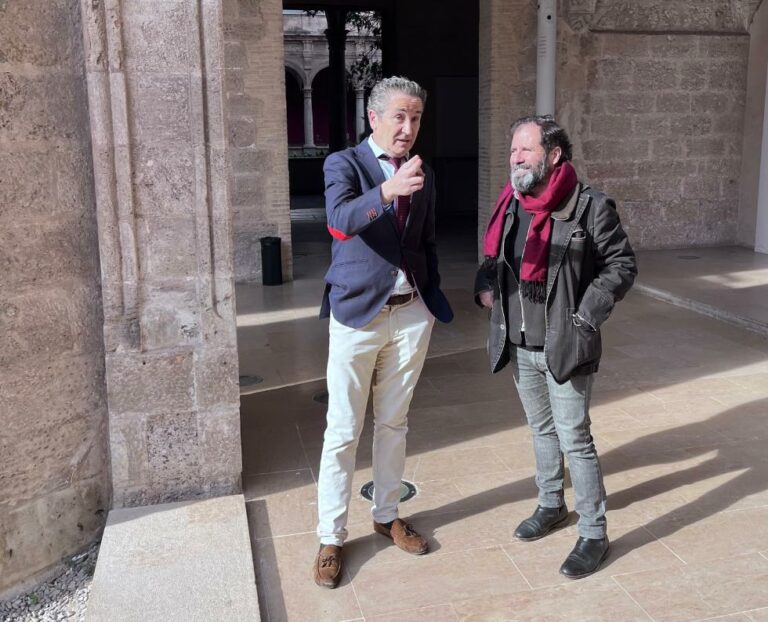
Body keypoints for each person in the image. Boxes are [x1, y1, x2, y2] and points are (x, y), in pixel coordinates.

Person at [475, 115, 636, 579]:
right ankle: (551, 505)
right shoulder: (511, 203)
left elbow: (622, 264)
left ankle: (594, 533)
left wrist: (585, 315)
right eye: (513, 150)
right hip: (519, 342)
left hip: (565, 342)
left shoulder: (589, 207)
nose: (516, 158)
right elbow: (493, 257)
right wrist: (486, 286)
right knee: (540, 430)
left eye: (525, 150)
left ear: (554, 154)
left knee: (575, 439)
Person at [314, 76, 453, 589]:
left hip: (410, 313)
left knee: (394, 423)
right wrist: (387, 190)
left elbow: (426, 239)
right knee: (343, 430)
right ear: (373, 117)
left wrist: (428, 296)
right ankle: (331, 537)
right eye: (399, 116)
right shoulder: (343, 164)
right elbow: (339, 220)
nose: (408, 127)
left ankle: (386, 514)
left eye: (415, 118)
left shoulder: (424, 173)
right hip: (357, 315)